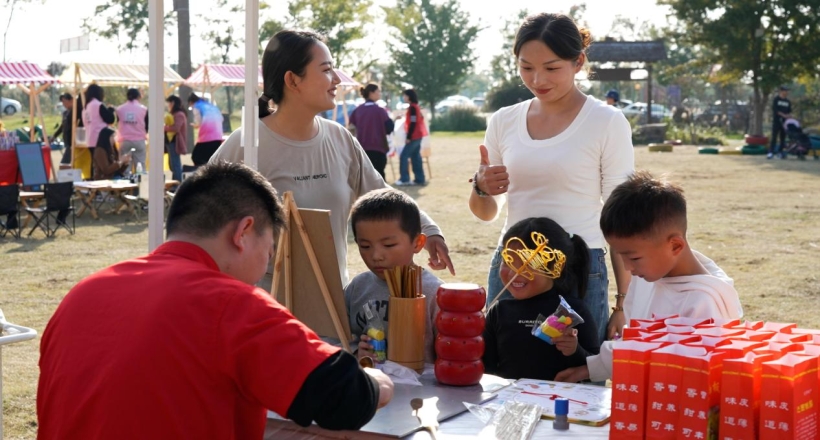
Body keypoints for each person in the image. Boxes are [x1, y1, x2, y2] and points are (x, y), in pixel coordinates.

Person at [37, 162, 394, 440]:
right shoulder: (229, 303)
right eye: (269, 252)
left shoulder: (82, 293)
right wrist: (378, 382)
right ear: (243, 233)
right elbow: (342, 395)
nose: (264, 269)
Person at [210, 30, 453, 288]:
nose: (336, 79)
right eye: (326, 70)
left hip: (334, 306)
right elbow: (201, 215)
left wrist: (429, 229)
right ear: (292, 80)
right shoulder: (247, 143)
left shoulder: (340, 138)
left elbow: (382, 194)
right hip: (266, 310)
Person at [468, 12, 634, 345]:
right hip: (512, 264)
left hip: (579, 267)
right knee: (504, 373)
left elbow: (623, 222)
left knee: (574, 379)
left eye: (551, 68)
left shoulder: (606, 122)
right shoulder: (504, 121)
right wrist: (481, 187)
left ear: (578, 62)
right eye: (526, 67)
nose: (537, 79)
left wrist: (623, 302)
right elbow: (486, 213)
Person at [553, 171, 743, 383]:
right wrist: (589, 369)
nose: (627, 267)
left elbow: (702, 380)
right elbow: (633, 341)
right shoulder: (646, 277)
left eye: (633, 257)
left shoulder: (703, 303)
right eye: (621, 255)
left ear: (675, 245)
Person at [482, 217, 600, 380]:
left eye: (528, 264)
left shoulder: (573, 311)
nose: (514, 273)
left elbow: (595, 369)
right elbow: (486, 367)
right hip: (508, 402)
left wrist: (574, 350)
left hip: (557, 402)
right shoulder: (498, 311)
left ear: (554, 267)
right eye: (508, 261)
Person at [345, 188, 443, 363]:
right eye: (365, 246)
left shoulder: (435, 293)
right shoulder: (356, 288)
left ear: (418, 243)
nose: (376, 256)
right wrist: (355, 355)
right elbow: (340, 338)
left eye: (389, 245)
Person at [348, 83, 393, 180]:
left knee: (365, 179)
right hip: (378, 147)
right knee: (379, 177)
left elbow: (350, 129)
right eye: (378, 91)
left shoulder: (357, 110)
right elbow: (390, 127)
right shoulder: (380, 110)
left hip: (361, 149)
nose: (380, 94)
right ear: (371, 93)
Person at [395, 89, 428, 186]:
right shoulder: (415, 107)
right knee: (415, 157)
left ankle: (404, 179)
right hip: (418, 135)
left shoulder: (413, 107)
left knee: (404, 156)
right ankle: (419, 179)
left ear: (409, 96)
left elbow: (413, 122)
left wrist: (409, 136)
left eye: (405, 96)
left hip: (414, 136)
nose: (403, 98)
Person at [115, 88, 149, 171]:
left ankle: (127, 183)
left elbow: (118, 122)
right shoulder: (144, 109)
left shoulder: (119, 109)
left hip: (125, 141)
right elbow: (147, 125)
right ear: (138, 97)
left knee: (125, 167)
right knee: (140, 167)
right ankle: (141, 183)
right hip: (139, 141)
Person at [188, 93, 224, 166]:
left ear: (191, 102)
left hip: (206, 137)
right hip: (218, 136)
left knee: (196, 157)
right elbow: (221, 118)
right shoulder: (211, 106)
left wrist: (196, 126)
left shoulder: (196, 106)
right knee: (212, 158)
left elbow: (199, 121)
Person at [164, 94, 188, 182]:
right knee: (172, 164)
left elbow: (176, 128)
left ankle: (178, 183)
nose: (168, 105)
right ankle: (175, 182)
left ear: (173, 103)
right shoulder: (175, 114)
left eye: (169, 103)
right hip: (171, 141)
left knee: (175, 164)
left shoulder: (179, 114)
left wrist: (164, 127)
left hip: (175, 141)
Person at [54, 93, 79, 165]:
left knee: (65, 163)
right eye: (62, 102)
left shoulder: (76, 112)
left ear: (71, 100)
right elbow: (63, 126)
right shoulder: (65, 113)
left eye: (65, 101)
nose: (63, 104)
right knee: (69, 163)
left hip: (73, 141)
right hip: (66, 140)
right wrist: (54, 136)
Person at [769, 85, 792, 159]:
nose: (786, 92)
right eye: (785, 91)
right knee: (774, 137)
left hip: (784, 123)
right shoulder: (776, 99)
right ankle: (771, 152)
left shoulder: (788, 101)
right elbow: (776, 111)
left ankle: (780, 152)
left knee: (783, 138)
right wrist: (783, 115)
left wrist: (788, 116)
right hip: (777, 121)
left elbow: (789, 111)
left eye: (787, 91)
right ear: (781, 91)